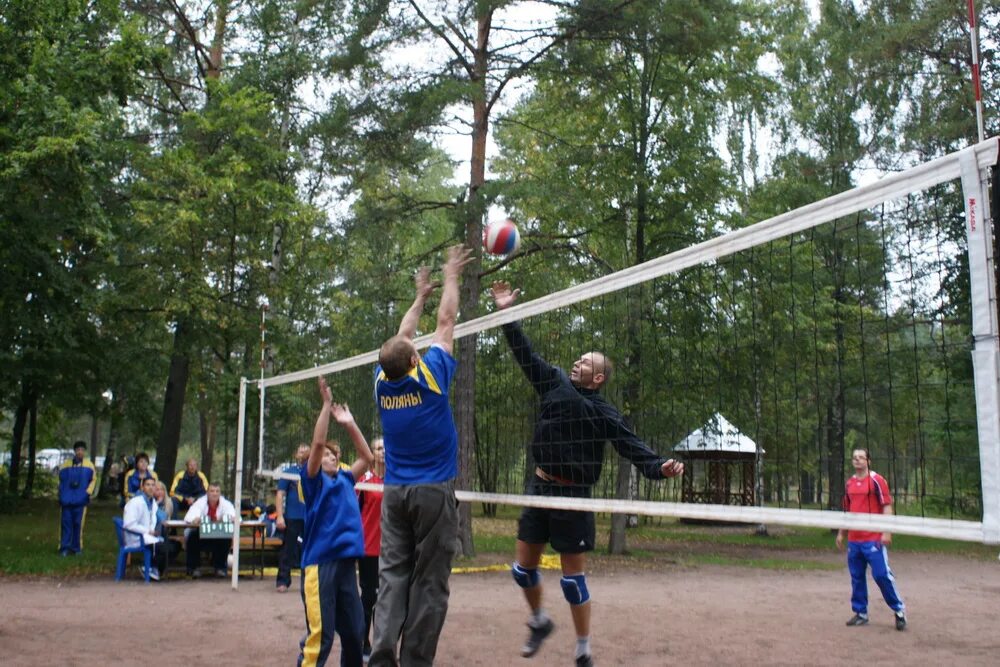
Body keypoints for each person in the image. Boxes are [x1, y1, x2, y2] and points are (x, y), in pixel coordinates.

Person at [490, 281, 685, 667]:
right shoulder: (554, 383)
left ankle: (583, 648)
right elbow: (524, 353)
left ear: (598, 378)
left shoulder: (604, 413)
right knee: (521, 569)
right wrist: (506, 313)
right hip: (538, 489)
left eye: (585, 363)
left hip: (574, 496)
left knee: (571, 580)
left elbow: (630, 445)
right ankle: (540, 621)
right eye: (578, 360)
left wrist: (658, 467)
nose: (577, 363)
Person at [369, 244, 471, 667]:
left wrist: (419, 297)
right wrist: (451, 275)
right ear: (414, 359)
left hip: (395, 492)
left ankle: (380, 651)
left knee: (393, 574)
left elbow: (402, 336)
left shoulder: (381, 382)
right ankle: (414, 661)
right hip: (432, 494)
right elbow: (447, 322)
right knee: (430, 582)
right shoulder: (429, 378)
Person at [297, 377, 374, 667]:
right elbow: (317, 443)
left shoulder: (344, 478)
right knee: (322, 637)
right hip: (321, 566)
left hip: (345, 565)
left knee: (355, 633)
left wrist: (349, 422)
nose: (330, 456)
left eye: (333, 454)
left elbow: (367, 457)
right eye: (326, 455)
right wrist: (327, 406)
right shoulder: (314, 481)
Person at [836, 448, 907, 631]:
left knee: (882, 575)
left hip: (873, 538)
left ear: (868, 461)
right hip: (854, 539)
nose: (857, 460)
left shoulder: (877, 480)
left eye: (861, 457)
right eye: (855, 458)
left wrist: (887, 532)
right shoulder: (850, 483)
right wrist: (841, 533)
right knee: (857, 577)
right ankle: (861, 613)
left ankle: (899, 610)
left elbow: (887, 507)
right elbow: (847, 512)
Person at [356, 438, 385, 662]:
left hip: (393, 550)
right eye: (378, 448)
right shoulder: (364, 482)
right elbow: (355, 514)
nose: (382, 452)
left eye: (385, 448)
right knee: (369, 599)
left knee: (389, 601)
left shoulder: (396, 480)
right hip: (369, 549)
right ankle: (363, 643)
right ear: (372, 453)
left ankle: (383, 644)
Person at [183, 481, 236, 578]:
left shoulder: (225, 503)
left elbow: (235, 516)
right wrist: (195, 519)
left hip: (217, 535)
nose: (214, 493)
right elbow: (189, 517)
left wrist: (228, 518)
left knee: (226, 537)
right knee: (193, 535)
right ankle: (194, 568)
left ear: (220, 493)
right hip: (201, 535)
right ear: (207, 493)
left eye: (217, 491)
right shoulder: (200, 502)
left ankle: (220, 568)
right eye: (212, 491)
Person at [276, 443, 310, 593]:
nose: (302, 453)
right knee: (287, 550)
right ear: (296, 454)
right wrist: (279, 516)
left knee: (310, 549)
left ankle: (309, 582)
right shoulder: (289, 471)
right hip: (292, 516)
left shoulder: (314, 470)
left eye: (306, 450)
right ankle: (283, 580)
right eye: (300, 450)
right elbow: (280, 494)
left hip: (310, 516)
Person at [122, 476, 167, 580]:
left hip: (147, 536)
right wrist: (147, 531)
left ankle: (154, 569)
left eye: (153, 485)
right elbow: (129, 524)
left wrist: (152, 531)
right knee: (162, 546)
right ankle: (148, 568)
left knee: (169, 544)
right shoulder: (135, 502)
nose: (151, 488)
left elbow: (153, 521)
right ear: (142, 487)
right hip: (135, 536)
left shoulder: (153, 503)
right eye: (148, 485)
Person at [57, 441, 96, 556]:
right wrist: (61, 494)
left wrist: (87, 493)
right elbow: (60, 481)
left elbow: (93, 480)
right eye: (78, 450)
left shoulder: (89, 465)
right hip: (67, 500)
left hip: (80, 500)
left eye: (82, 450)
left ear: (84, 451)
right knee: (66, 524)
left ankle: (76, 547)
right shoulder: (66, 465)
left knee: (78, 524)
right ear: (74, 451)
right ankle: (64, 547)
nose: (80, 452)